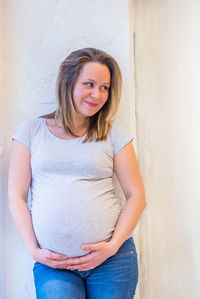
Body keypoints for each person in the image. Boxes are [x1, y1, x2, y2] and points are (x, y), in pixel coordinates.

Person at [8, 47, 146, 299]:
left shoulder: (113, 133)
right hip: (54, 265)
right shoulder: (31, 131)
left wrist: (112, 246)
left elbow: (136, 195)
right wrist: (33, 250)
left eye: (105, 87)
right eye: (89, 84)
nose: (98, 94)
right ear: (67, 82)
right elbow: (16, 196)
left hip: (112, 261)